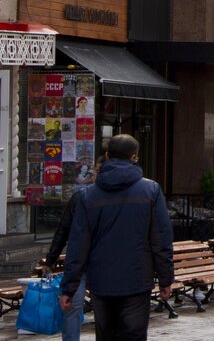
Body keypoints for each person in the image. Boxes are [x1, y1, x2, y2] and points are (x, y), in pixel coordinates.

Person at [60, 134, 174, 339]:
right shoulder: (150, 190)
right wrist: (166, 279)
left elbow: (77, 245)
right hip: (137, 278)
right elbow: (161, 239)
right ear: (134, 157)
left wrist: (69, 287)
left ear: (107, 155)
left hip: (101, 280)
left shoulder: (87, 196)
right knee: (134, 334)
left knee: (106, 335)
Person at [43, 154, 105, 341]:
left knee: (102, 309)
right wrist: (51, 259)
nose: (95, 175)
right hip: (80, 263)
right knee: (72, 306)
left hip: (101, 263)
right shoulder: (81, 198)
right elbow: (63, 230)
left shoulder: (110, 200)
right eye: (95, 171)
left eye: (98, 171)